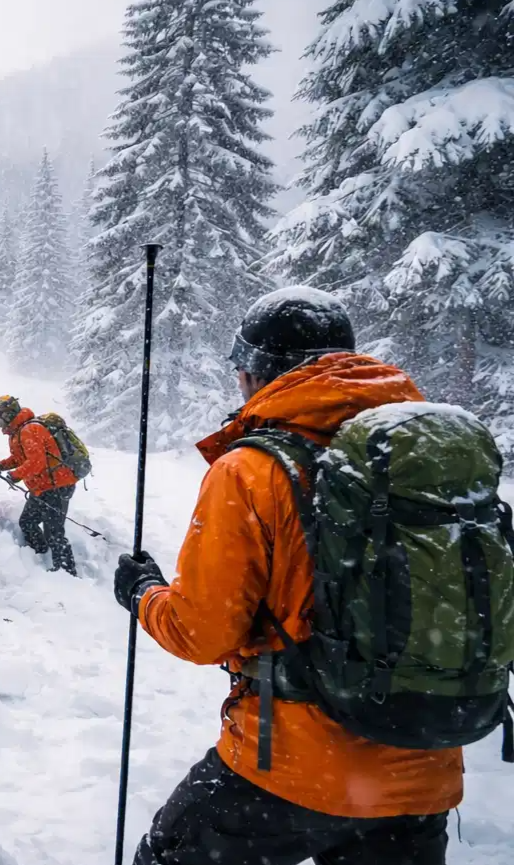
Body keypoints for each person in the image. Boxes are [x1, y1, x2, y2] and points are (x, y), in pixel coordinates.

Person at [113, 287, 463, 864]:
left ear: (257, 374)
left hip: (293, 768)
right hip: (422, 767)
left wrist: (143, 593)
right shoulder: (429, 461)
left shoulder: (252, 471)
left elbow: (201, 633)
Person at [0, 395, 77, 576]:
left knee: (54, 531)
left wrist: (15, 475)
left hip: (57, 486)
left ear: (7, 414)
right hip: (43, 487)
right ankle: (40, 558)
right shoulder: (18, 432)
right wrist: (0, 466)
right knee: (28, 522)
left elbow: (37, 462)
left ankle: (67, 573)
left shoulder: (29, 430)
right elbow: (20, 458)